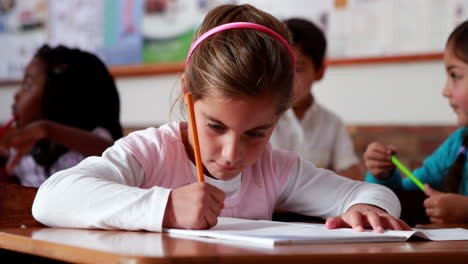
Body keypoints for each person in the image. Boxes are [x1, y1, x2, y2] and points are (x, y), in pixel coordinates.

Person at [32, 4, 409, 232]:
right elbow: (50, 199)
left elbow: (372, 193)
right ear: (187, 93)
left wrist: (369, 209)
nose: (232, 154)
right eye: (215, 126)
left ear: (279, 118)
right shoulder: (151, 152)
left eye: (257, 133)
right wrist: (165, 207)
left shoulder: (276, 169)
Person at [364, 20, 468, 224]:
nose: (445, 91)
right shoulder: (458, 144)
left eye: (455, 75)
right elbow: (400, 202)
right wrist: (383, 176)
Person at [0, 45, 123, 187]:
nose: (16, 94)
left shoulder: (92, 143)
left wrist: (47, 130)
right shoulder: (29, 149)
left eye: (27, 85)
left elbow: (116, 155)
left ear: (59, 95)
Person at [269, 18, 361, 180]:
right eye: (281, 67)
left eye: (298, 69)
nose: (287, 78)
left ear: (319, 72)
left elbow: (352, 174)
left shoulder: (331, 123)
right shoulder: (260, 118)